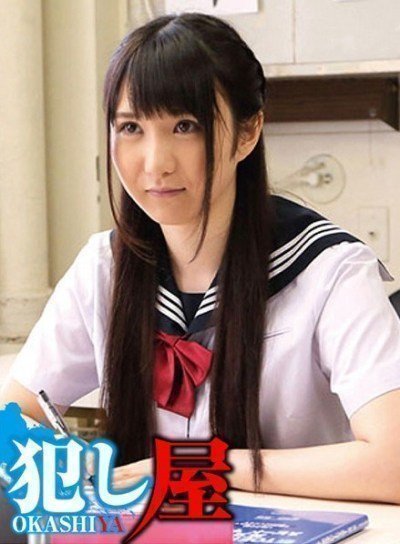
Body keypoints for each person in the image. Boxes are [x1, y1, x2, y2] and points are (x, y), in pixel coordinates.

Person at [1, 12, 400, 504]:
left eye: (185, 126)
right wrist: (61, 462)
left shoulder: (329, 270)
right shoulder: (103, 269)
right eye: (131, 127)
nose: (155, 163)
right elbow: (15, 418)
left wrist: (204, 467)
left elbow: (393, 463)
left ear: (247, 133)